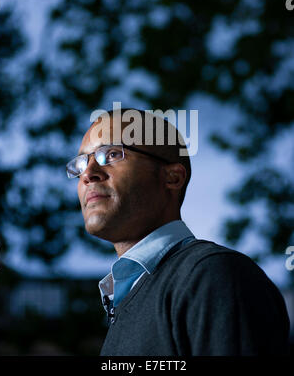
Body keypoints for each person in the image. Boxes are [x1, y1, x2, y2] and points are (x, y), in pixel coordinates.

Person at [66, 108, 290, 356]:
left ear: (172, 177)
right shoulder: (127, 296)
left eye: (111, 154)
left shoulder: (212, 275)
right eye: (81, 163)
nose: (88, 174)